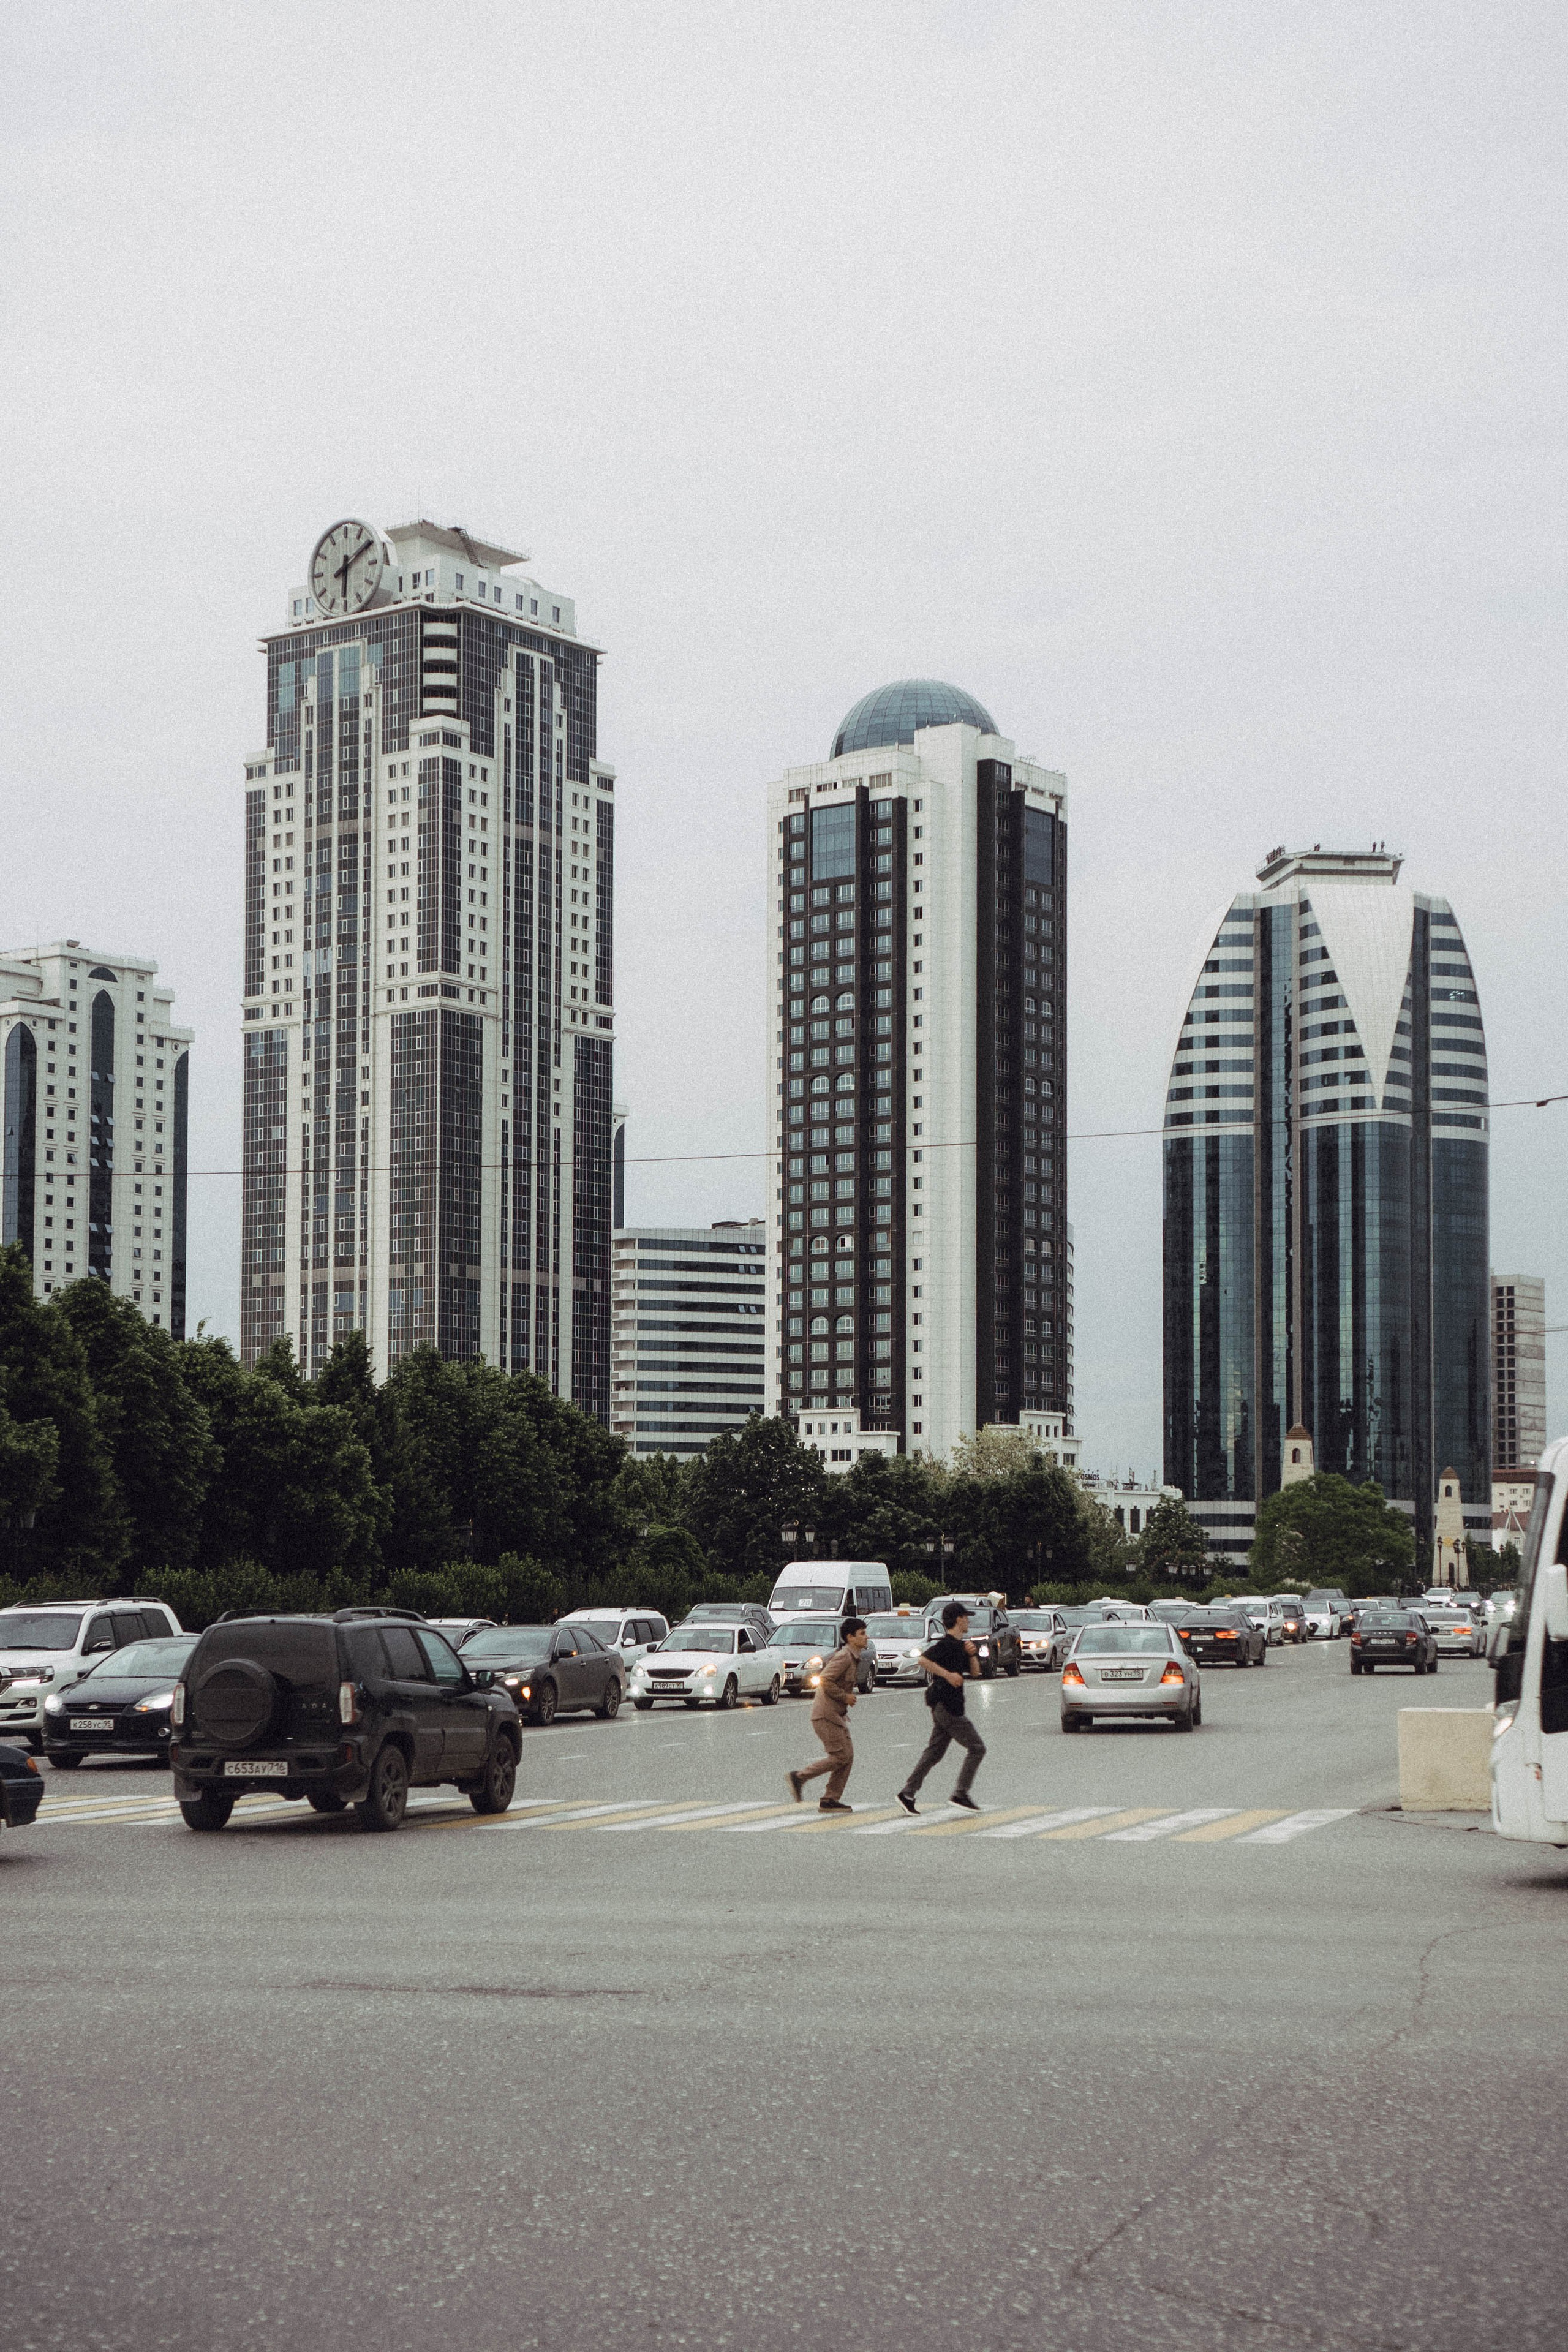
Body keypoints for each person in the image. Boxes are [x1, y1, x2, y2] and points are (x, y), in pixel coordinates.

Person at [897, 1600, 985, 1814]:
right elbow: (923, 1661)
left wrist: (972, 1654)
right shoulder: (945, 1645)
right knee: (977, 1748)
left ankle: (907, 1793)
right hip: (947, 1706)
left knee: (934, 1752)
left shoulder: (962, 1647)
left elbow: (975, 1673)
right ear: (958, 1620)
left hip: (949, 1706)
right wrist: (947, 1675)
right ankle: (960, 1794)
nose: (968, 1621)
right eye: (966, 1617)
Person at [786, 1618, 869, 1813]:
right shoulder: (844, 1657)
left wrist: (843, 1705)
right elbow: (824, 1680)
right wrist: (845, 1697)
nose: (867, 1637)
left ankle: (830, 1799)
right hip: (825, 1715)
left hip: (835, 1715)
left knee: (847, 1756)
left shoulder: (853, 1657)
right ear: (850, 1637)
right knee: (841, 1756)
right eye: (862, 1633)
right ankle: (799, 1777)